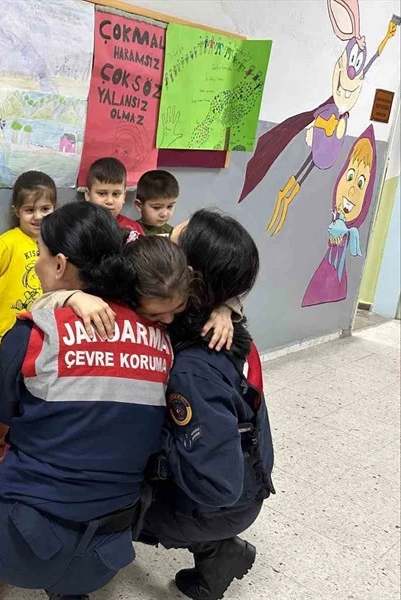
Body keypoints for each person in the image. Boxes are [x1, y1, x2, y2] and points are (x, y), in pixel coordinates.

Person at [0, 202, 192, 600]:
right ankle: (69, 590)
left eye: (40, 255)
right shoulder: (160, 339)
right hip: (107, 558)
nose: (36, 264)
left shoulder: (34, 333)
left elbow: (3, 411)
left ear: (61, 265)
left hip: (22, 548)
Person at [139, 209, 274, 600]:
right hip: (251, 474)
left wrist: (156, 449)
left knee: (114, 500)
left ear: (187, 278)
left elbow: (217, 486)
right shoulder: (225, 327)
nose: (167, 238)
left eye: (175, 242)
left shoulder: (193, 369)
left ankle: (80, 573)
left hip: (228, 500)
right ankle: (221, 551)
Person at [0, 170, 57, 459]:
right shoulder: (5, 244)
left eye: (45, 209)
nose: (37, 217)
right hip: (5, 335)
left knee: (35, 392)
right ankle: (0, 449)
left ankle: (29, 445)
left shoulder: (56, 243)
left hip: (43, 336)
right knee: (6, 395)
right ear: (16, 211)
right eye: (29, 210)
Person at [84, 156, 145, 240]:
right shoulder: (79, 227)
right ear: (87, 195)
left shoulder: (133, 230)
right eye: (102, 193)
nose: (109, 201)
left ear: (124, 196)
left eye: (116, 194)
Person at [135, 169, 180, 237]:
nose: (164, 214)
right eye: (157, 207)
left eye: (170, 206)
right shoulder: (131, 231)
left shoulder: (173, 233)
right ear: (139, 205)